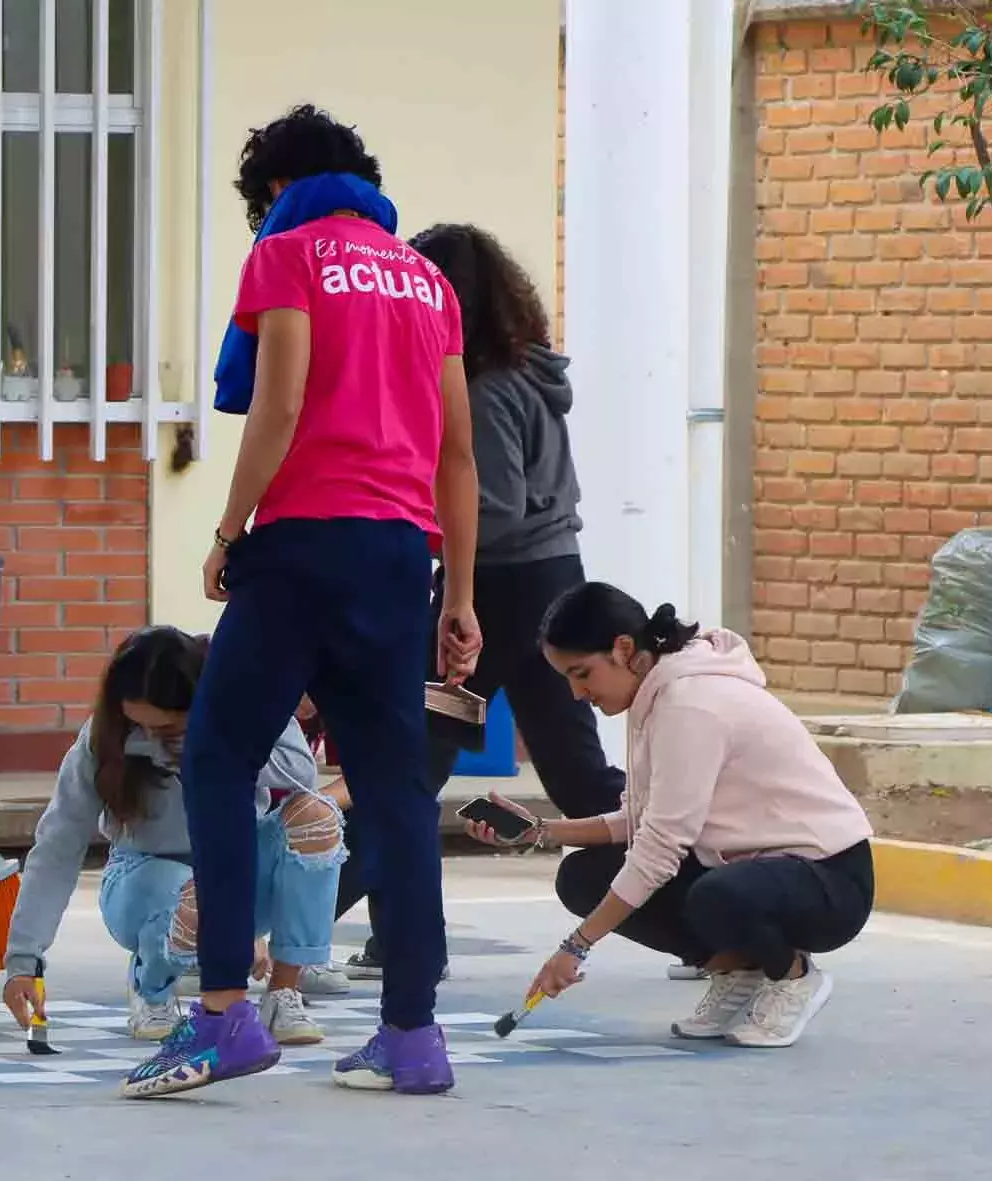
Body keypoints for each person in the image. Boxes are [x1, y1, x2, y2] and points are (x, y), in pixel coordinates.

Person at [123, 105, 481, 1100]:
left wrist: (229, 529)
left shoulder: (287, 256)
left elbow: (277, 402)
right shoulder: (428, 280)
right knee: (396, 788)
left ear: (274, 192)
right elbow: (457, 451)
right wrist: (459, 590)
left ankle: (224, 1013)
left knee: (217, 753)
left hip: (299, 546)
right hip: (396, 557)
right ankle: (412, 1032)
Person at [329, 222, 630, 984]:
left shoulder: (487, 387)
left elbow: (490, 506)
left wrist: (412, 539)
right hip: (548, 576)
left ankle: (300, 922)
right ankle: (697, 907)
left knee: (406, 762)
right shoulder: (529, 372)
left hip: (497, 584)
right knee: (575, 770)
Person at [467, 583, 876, 1049]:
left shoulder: (690, 704)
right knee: (584, 876)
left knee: (715, 895)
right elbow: (640, 820)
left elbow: (659, 848)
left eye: (582, 674)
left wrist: (574, 948)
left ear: (623, 649)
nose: (577, 693)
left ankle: (795, 977)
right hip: (752, 869)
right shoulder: (655, 696)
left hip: (828, 880)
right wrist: (538, 831)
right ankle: (738, 969)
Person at [0, 627, 342, 1047]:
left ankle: (284, 992)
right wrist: (23, 960)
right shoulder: (102, 738)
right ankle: (152, 987)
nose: (147, 736)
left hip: (234, 867)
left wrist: (215, 746)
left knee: (316, 816)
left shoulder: (242, 700)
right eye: (136, 725)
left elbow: (302, 775)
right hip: (143, 876)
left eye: (165, 728)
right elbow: (56, 846)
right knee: (192, 891)